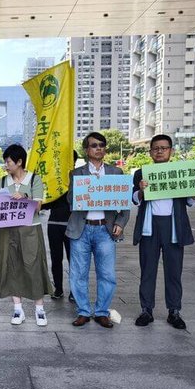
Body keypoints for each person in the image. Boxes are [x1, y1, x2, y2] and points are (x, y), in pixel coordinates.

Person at [132, 134, 195, 330]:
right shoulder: (142, 173)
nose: (159, 151)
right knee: (147, 270)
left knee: (174, 271)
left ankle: (174, 311)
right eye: (156, 148)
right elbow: (134, 199)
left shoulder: (182, 172)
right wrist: (141, 190)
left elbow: (190, 201)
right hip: (150, 228)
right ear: (150, 152)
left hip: (174, 227)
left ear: (171, 151)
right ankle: (146, 310)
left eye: (164, 148)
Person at [66, 132, 130, 329]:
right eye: (94, 145)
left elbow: (125, 204)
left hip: (105, 229)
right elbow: (70, 201)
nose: (99, 148)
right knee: (78, 274)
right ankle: (83, 311)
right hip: (81, 229)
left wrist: (121, 222)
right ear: (87, 150)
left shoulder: (115, 173)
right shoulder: (77, 174)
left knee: (107, 274)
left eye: (102, 145)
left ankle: (102, 312)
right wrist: (84, 189)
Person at [0, 144, 52, 326]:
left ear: (19, 162)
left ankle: (39, 309)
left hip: (30, 229)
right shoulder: (2, 182)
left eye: (8, 162)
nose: (6, 165)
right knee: (11, 267)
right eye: (5, 162)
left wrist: (25, 198)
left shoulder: (34, 180)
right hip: (7, 230)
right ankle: (18, 309)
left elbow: (39, 206)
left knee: (33, 265)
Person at [41, 152, 79, 302]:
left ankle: (74, 291)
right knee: (56, 259)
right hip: (54, 224)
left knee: (74, 259)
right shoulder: (54, 179)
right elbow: (46, 203)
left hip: (73, 225)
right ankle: (58, 288)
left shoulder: (79, 179)